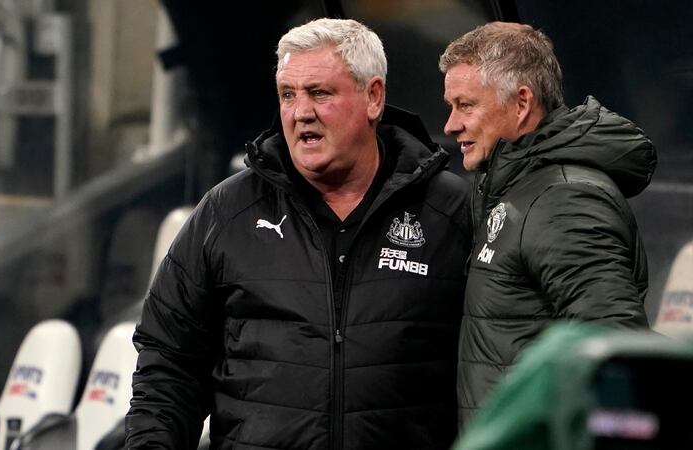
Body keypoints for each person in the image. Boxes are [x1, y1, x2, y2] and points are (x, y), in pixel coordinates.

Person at [126, 18, 471, 449]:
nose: (300, 112)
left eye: (320, 94)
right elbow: (168, 361)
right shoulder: (227, 211)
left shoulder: (450, 211)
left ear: (374, 97)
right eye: (288, 95)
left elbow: (489, 363)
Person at [438, 21, 656, 425]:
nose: (451, 125)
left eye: (466, 105)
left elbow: (618, 351)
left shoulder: (564, 198)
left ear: (521, 103)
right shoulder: (511, 185)